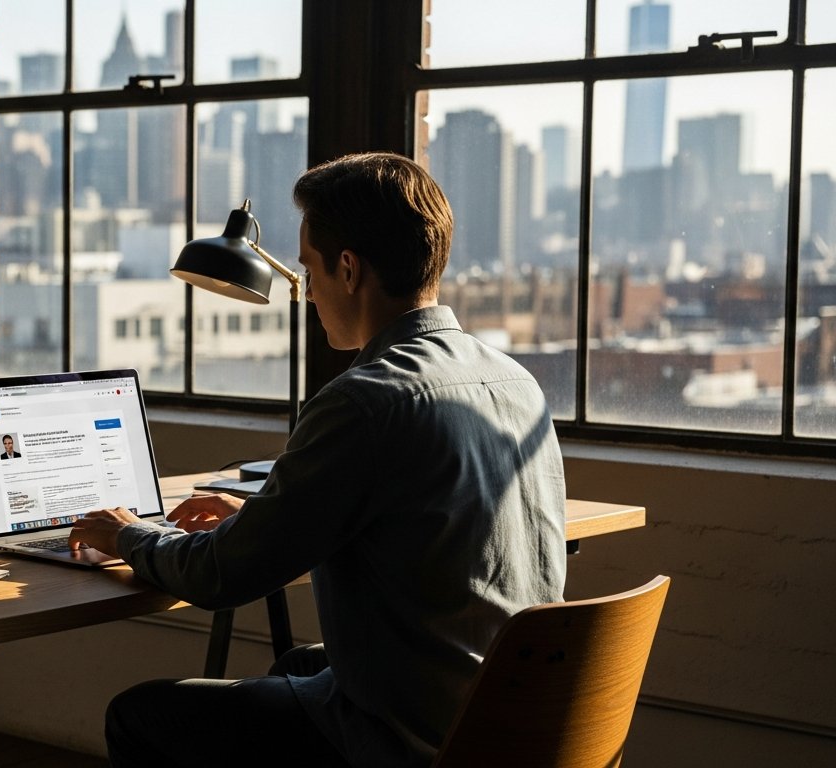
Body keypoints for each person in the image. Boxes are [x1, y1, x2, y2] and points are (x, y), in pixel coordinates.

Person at [68, 152, 566, 768]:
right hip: (508, 716)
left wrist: (128, 535)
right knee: (299, 666)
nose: (306, 294)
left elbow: (222, 578)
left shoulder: (366, 401)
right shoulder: (517, 383)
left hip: (413, 740)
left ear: (349, 269)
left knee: (140, 716)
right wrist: (258, 514)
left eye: (309, 270)